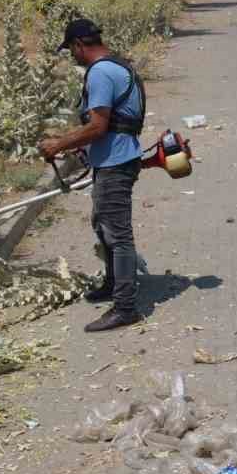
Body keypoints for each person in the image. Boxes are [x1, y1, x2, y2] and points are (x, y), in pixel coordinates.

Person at [38, 18, 147, 333]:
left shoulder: (99, 73)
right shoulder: (117, 66)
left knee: (117, 234)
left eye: (71, 50)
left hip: (116, 163)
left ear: (78, 45)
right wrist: (81, 150)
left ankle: (125, 307)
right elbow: (111, 126)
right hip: (116, 158)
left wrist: (58, 143)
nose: (72, 56)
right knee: (103, 225)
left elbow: (98, 126)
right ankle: (114, 284)